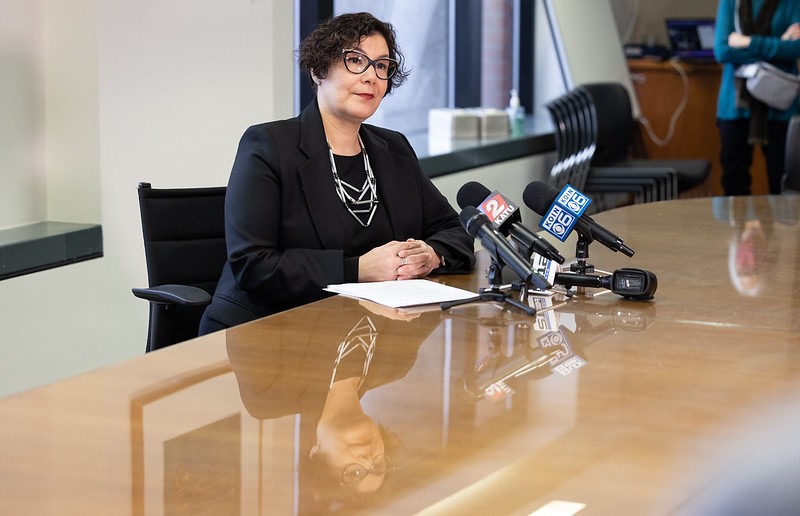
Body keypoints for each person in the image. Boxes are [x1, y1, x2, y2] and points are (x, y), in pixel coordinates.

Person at [199, 12, 475, 334]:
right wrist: (357, 269)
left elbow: (455, 227)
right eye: (356, 61)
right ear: (318, 70)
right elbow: (253, 264)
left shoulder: (394, 148)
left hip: (365, 332)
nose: (371, 76)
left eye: (382, 65)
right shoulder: (268, 145)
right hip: (270, 331)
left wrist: (432, 254)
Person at [714, 0, 800, 195]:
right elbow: (723, 51)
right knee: (734, 183)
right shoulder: (730, 2)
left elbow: (796, 48)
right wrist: (779, 43)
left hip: (780, 106)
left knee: (784, 185)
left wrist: (747, 42)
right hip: (735, 105)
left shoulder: (793, 3)